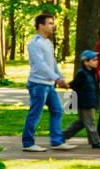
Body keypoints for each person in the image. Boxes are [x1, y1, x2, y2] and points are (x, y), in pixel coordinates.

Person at [22, 13, 69, 152]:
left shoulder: (48, 42)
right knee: (35, 113)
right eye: (49, 23)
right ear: (40, 25)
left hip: (49, 84)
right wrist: (57, 79)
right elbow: (40, 65)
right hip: (38, 84)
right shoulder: (34, 43)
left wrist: (60, 77)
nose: (52, 26)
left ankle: (56, 141)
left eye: (52, 23)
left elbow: (52, 63)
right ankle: (28, 143)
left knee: (57, 110)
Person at [63, 51, 100, 149]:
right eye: (94, 60)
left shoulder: (91, 73)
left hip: (89, 101)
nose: (96, 62)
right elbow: (75, 84)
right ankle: (96, 142)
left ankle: (62, 136)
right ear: (86, 62)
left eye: (96, 60)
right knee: (90, 122)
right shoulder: (82, 74)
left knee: (82, 122)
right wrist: (68, 85)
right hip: (85, 103)